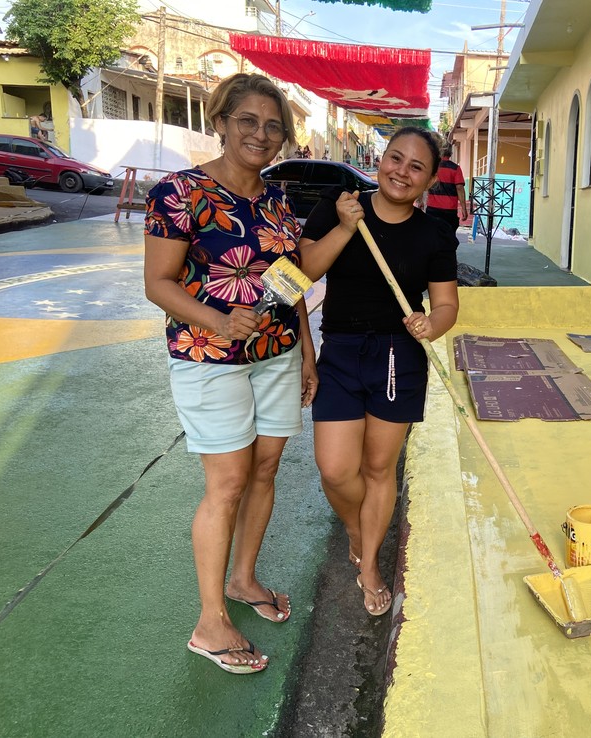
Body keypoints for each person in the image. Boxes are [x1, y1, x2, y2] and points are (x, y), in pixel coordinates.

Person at [143, 73, 318, 674]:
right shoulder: (178, 193)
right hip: (207, 358)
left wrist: (307, 354)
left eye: (273, 126)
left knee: (265, 469)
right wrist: (218, 320)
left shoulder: (278, 201)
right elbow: (158, 284)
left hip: (278, 354)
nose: (261, 134)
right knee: (227, 483)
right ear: (220, 122)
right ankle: (209, 620)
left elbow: (291, 282)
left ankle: (243, 579)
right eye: (247, 121)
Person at [298, 126, 459, 617]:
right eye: (396, 158)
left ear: (430, 180)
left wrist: (431, 323)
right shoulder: (340, 205)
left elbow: (448, 304)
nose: (402, 171)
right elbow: (302, 273)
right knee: (335, 469)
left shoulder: (434, 234)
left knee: (377, 469)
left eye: (416, 167)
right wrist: (346, 227)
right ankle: (357, 529)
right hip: (342, 349)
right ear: (381, 159)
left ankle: (368, 564)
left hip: (398, 357)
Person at [424, 142, 468, 237]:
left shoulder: (432, 167)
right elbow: (459, 187)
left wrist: (420, 201)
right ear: (451, 153)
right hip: (449, 210)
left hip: (432, 209)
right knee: (448, 238)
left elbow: (424, 184)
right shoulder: (455, 168)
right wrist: (464, 209)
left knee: (431, 236)